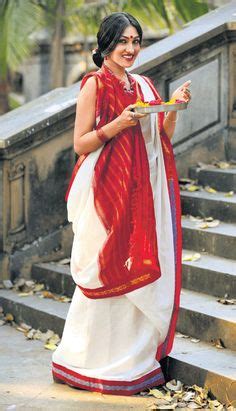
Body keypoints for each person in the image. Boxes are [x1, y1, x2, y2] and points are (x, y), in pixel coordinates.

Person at [52, 12, 191, 395]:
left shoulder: (144, 84)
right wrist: (117, 124)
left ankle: (132, 361)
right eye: (122, 42)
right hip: (105, 193)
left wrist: (173, 107)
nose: (130, 49)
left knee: (138, 267)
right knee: (106, 265)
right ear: (105, 46)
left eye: (136, 41)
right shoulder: (94, 84)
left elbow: (159, 138)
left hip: (141, 192)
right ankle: (86, 362)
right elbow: (80, 143)